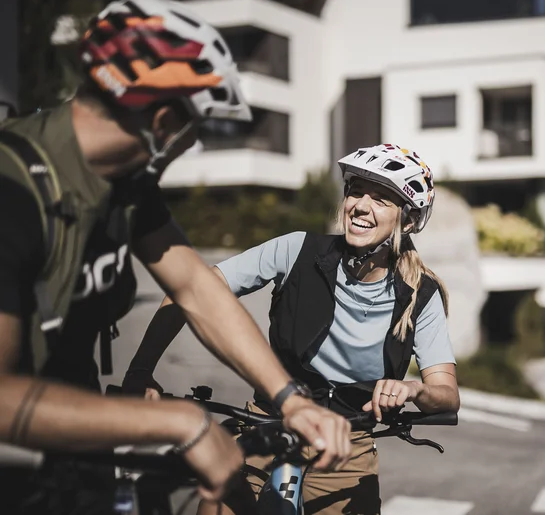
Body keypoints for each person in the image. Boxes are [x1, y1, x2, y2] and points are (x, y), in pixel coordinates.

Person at [0, 0, 350, 515]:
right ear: (164, 121)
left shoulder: (123, 186)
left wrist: (289, 399)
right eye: (197, 128)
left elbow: (194, 286)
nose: (195, 145)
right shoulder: (14, 192)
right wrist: (183, 423)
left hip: (73, 459)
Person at [123, 144, 461, 515]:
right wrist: (140, 371)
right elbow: (190, 290)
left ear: (408, 220)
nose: (361, 206)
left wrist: (412, 389)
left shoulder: (421, 294)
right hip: (267, 424)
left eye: (381, 199)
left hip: (344, 444)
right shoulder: (297, 250)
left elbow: (446, 393)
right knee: (214, 501)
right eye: (355, 191)